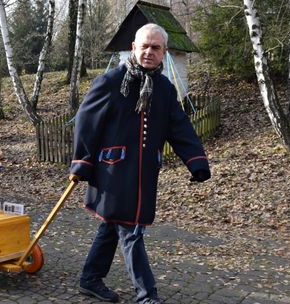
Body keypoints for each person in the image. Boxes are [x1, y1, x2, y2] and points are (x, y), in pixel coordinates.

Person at [70, 23, 211, 304]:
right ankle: (147, 296)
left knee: (112, 226)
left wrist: (196, 161)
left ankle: (90, 278)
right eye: (144, 46)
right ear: (133, 47)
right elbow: (86, 123)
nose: (148, 52)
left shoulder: (165, 89)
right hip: (113, 173)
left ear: (164, 52)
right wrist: (82, 162)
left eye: (155, 47)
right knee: (131, 229)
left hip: (144, 174)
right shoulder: (110, 82)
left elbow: (179, 126)